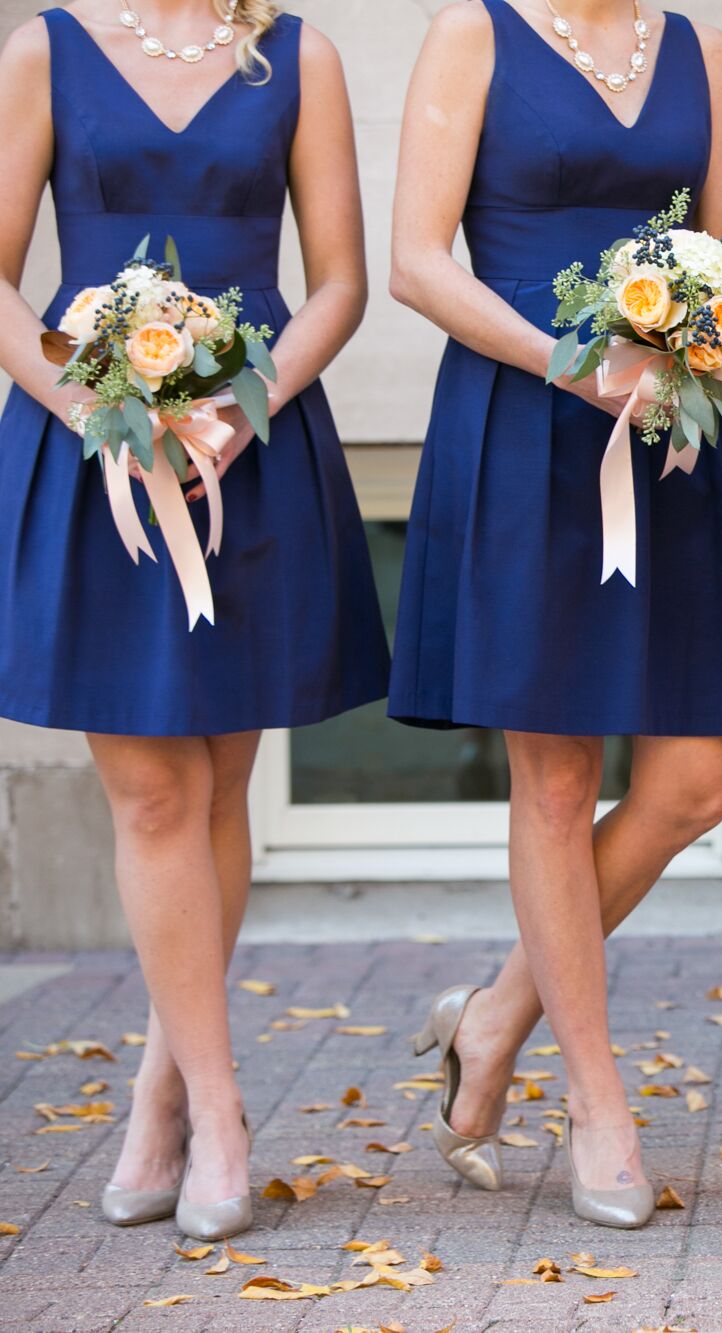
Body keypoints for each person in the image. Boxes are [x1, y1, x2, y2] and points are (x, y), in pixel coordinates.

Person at [0, 0, 388, 1239]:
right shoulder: (41, 50)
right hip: (95, 455)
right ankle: (220, 1109)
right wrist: (88, 406)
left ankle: (161, 1092)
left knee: (221, 784)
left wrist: (242, 402)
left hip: (250, 451)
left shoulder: (300, 54)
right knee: (154, 794)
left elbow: (339, 282)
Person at [388, 0, 722, 1228]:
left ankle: (495, 1015)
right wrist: (570, 359)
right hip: (523, 428)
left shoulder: (701, 50)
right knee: (553, 784)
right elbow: (415, 260)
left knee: (693, 787)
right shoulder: (474, 34)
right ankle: (598, 1106)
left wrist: (696, 347)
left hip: (669, 440)